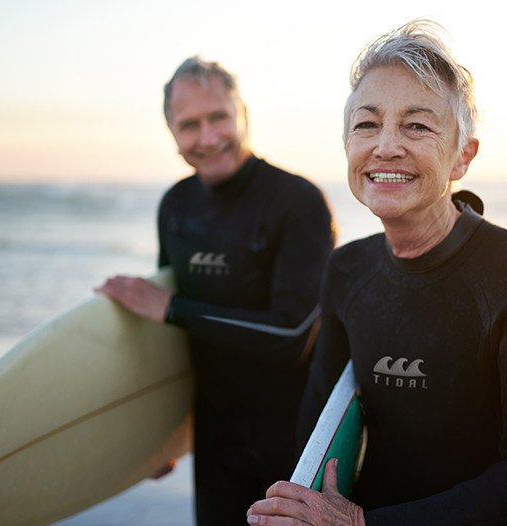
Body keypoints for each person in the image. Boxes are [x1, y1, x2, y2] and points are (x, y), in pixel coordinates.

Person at [246, 20, 507, 526]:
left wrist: (361, 524)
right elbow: (322, 433)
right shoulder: (347, 269)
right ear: (347, 145)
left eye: (416, 125)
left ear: (463, 157)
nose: (386, 146)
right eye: (367, 124)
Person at [97, 57, 335, 525]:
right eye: (189, 125)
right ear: (171, 133)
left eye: (219, 117)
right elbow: (173, 342)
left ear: (242, 113)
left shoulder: (297, 202)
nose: (207, 138)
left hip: (295, 445)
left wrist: (170, 306)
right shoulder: (177, 206)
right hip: (215, 443)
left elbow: (292, 336)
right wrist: (161, 435)